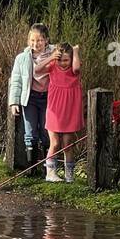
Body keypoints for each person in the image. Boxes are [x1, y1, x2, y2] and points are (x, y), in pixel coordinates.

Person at [8, 22, 55, 176]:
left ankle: (48, 168)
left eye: (40, 40)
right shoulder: (22, 58)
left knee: (47, 131)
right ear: (28, 41)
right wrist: (14, 101)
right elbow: (16, 80)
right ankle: (31, 168)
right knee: (30, 131)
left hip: (49, 97)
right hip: (30, 98)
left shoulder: (55, 53)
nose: (36, 44)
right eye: (33, 40)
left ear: (46, 40)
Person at [44, 43, 83, 182]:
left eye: (66, 60)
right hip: (54, 109)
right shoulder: (53, 66)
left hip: (70, 110)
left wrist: (76, 51)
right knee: (54, 143)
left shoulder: (73, 69)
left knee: (68, 144)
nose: (62, 63)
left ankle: (69, 175)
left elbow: (77, 68)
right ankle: (50, 173)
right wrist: (51, 58)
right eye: (60, 60)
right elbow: (37, 69)